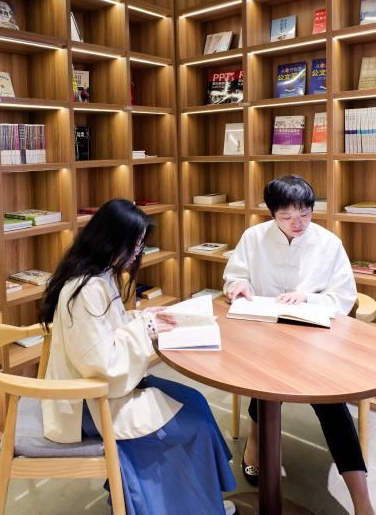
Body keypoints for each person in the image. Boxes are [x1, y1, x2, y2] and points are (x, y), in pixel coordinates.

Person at [40, 199, 237, 515]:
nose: (137, 251)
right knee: (193, 424)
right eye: (135, 243)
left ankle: (202, 499)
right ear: (112, 240)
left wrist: (144, 318)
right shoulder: (86, 290)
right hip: (89, 403)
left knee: (196, 401)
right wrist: (146, 327)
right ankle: (193, 506)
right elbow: (102, 366)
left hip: (105, 391)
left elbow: (108, 332)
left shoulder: (99, 275)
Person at [223, 175, 373, 515]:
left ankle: (362, 502)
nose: (298, 223)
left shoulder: (328, 243)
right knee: (262, 382)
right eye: (287, 216)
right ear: (272, 214)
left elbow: (344, 296)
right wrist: (239, 286)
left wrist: (307, 297)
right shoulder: (254, 238)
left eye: (305, 214)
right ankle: (255, 443)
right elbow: (235, 275)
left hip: (316, 342)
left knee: (332, 406)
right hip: (265, 335)